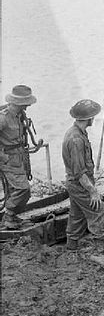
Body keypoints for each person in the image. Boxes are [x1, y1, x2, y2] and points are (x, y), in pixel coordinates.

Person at [62, 99, 104, 268]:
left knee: (77, 214)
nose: (94, 118)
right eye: (93, 116)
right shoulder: (76, 139)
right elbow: (79, 172)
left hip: (75, 183)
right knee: (101, 212)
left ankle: (71, 247)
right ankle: (99, 253)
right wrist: (93, 191)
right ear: (89, 118)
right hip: (79, 184)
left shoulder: (77, 133)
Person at [0, 85, 41, 230]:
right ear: (18, 102)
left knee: (15, 190)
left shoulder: (19, 115)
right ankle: (8, 215)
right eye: (26, 102)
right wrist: (3, 157)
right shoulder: (3, 118)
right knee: (23, 189)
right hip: (8, 160)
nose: (29, 105)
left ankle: (11, 217)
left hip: (18, 158)